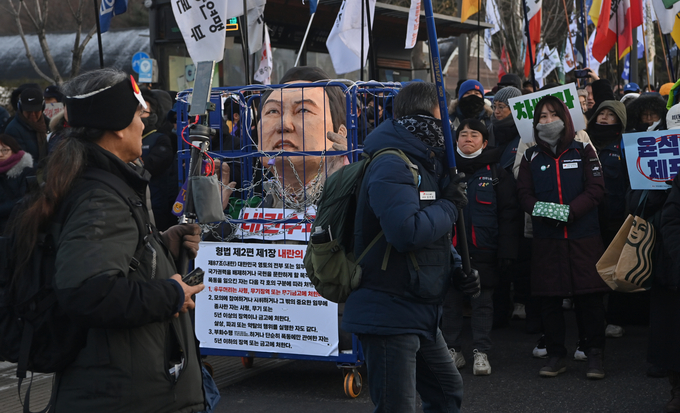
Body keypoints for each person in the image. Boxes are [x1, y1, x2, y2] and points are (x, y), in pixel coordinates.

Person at [7, 69, 206, 412]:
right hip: (119, 394)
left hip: (123, 387)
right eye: (137, 117)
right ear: (116, 126)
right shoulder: (100, 196)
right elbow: (86, 291)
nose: (143, 126)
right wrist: (170, 293)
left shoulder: (103, 181)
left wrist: (161, 246)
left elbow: (109, 259)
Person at [341, 82, 477, 412]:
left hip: (419, 308)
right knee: (397, 406)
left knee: (447, 391)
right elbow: (406, 231)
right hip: (389, 309)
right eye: (443, 113)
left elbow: (434, 237)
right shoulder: (392, 164)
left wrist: (456, 268)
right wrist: (448, 205)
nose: (450, 123)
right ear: (428, 114)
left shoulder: (425, 161)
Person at [516, 95, 609, 379]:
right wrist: (545, 211)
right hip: (547, 238)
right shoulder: (531, 156)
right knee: (549, 299)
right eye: (541, 117)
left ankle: (594, 354)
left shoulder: (583, 150)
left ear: (565, 118)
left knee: (589, 299)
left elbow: (596, 189)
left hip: (583, 236)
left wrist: (569, 212)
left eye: (552, 115)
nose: (547, 121)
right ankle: (556, 354)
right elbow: (523, 194)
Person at [442, 119, 519, 376]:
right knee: (450, 303)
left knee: (482, 303)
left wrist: (507, 251)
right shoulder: (444, 170)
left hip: (485, 249)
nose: (467, 139)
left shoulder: (497, 172)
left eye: (474, 135)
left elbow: (509, 215)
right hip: (449, 251)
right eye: (463, 134)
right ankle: (453, 349)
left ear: (484, 142)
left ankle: (481, 352)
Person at [257, 66, 348, 208]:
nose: (284, 125)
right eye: (273, 111)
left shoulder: (358, 196)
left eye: (303, 110)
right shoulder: (254, 205)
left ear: (340, 133)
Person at [140, 89, 176, 231]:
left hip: (157, 204)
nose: (139, 117)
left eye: (143, 112)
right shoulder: (132, 138)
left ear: (153, 115)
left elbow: (151, 166)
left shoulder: (160, 139)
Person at [4, 88, 49, 168]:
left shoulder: (49, 125)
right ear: (21, 109)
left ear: (42, 108)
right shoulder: (13, 130)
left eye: (36, 110)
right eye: (28, 111)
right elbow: (20, 162)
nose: (32, 114)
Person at [0, 134, 32, 235]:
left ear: (14, 149)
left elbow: (26, 200)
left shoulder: (26, 170)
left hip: (22, 227)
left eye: (5, 150)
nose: (0, 154)